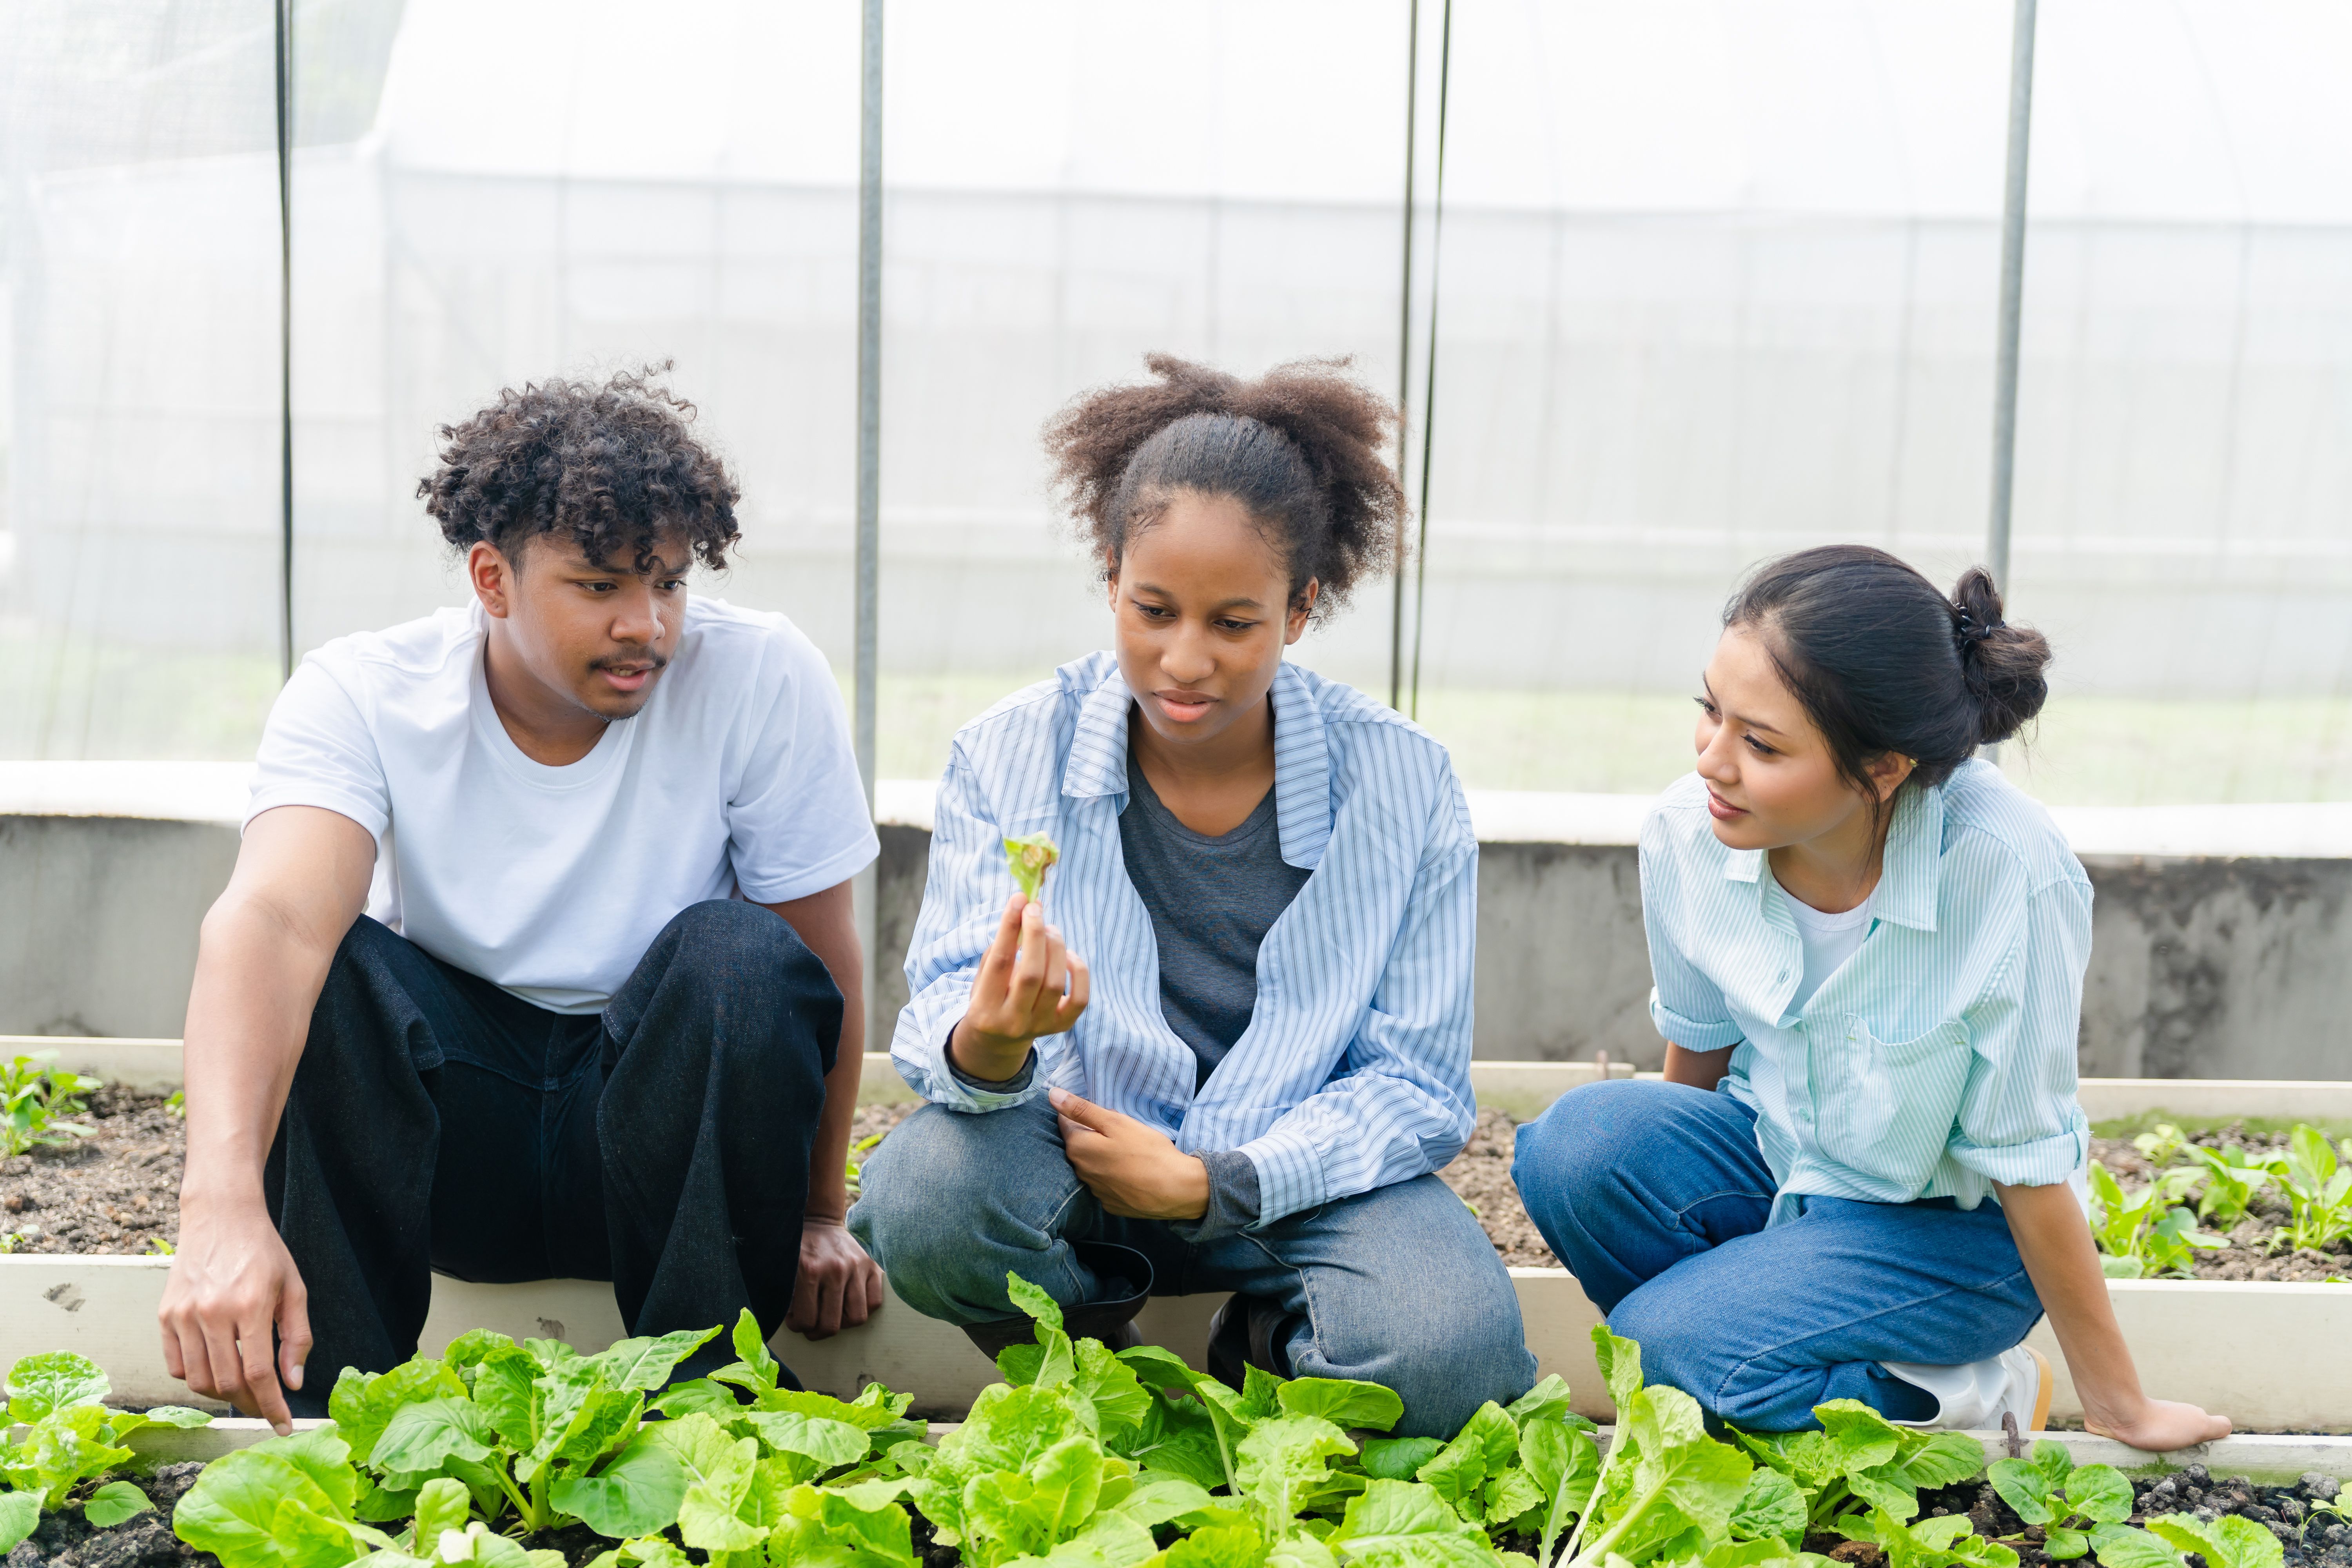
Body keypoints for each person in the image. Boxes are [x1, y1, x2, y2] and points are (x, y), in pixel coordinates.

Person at [159, 368, 885, 1430]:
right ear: (492, 579)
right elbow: (265, 925)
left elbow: (823, 968)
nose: (650, 626)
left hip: (662, 1164)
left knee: (743, 956)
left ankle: (700, 1427)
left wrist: (822, 1211)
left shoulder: (763, 676)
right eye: (600, 586)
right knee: (335, 963)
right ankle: (322, 1428)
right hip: (454, 1153)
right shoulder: (366, 690)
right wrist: (216, 1209)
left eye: (671, 583)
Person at [848, 354, 1536, 1437]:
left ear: (1301, 610)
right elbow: (941, 1008)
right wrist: (990, 1042)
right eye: (1152, 609)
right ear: (1111, 572)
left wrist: (1220, 1181)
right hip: (1072, 1154)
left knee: (1454, 1356)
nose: (1183, 662)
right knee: (924, 1202)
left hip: (1297, 1176)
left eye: (1234, 623)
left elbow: (1415, 1084)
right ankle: (1096, 1376)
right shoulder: (1009, 754)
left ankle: (1259, 1347)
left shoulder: (1401, 783)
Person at [1511, 545, 2230, 1446]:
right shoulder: (1686, 835)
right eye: (1710, 712)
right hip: (1786, 1160)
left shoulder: (2005, 869)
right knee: (1575, 1147)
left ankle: (1971, 1389)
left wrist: (2118, 1400)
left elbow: (2027, 1155)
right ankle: (1744, 1355)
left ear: (1883, 768)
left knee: (1664, 1350)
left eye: (1761, 743)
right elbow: (1697, 1048)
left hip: (1955, 1235)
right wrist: (1651, 1205)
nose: (1711, 762)